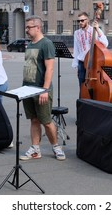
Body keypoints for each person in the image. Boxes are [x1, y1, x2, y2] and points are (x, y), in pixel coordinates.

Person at [20, 15, 66, 161]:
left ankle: (56, 147)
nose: (26, 30)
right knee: (34, 119)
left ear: (38, 27)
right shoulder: (30, 44)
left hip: (41, 90)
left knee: (46, 121)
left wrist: (45, 90)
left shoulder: (46, 44)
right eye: (26, 27)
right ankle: (35, 149)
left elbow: (50, 69)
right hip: (27, 88)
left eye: (29, 27)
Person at [72, 11, 109, 96]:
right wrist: (76, 66)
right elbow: (76, 49)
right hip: (82, 63)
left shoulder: (94, 30)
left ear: (87, 20)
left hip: (93, 63)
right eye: (79, 21)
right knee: (82, 85)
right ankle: (82, 103)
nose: (80, 23)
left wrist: (98, 29)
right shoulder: (77, 33)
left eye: (82, 20)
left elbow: (105, 43)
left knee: (95, 84)